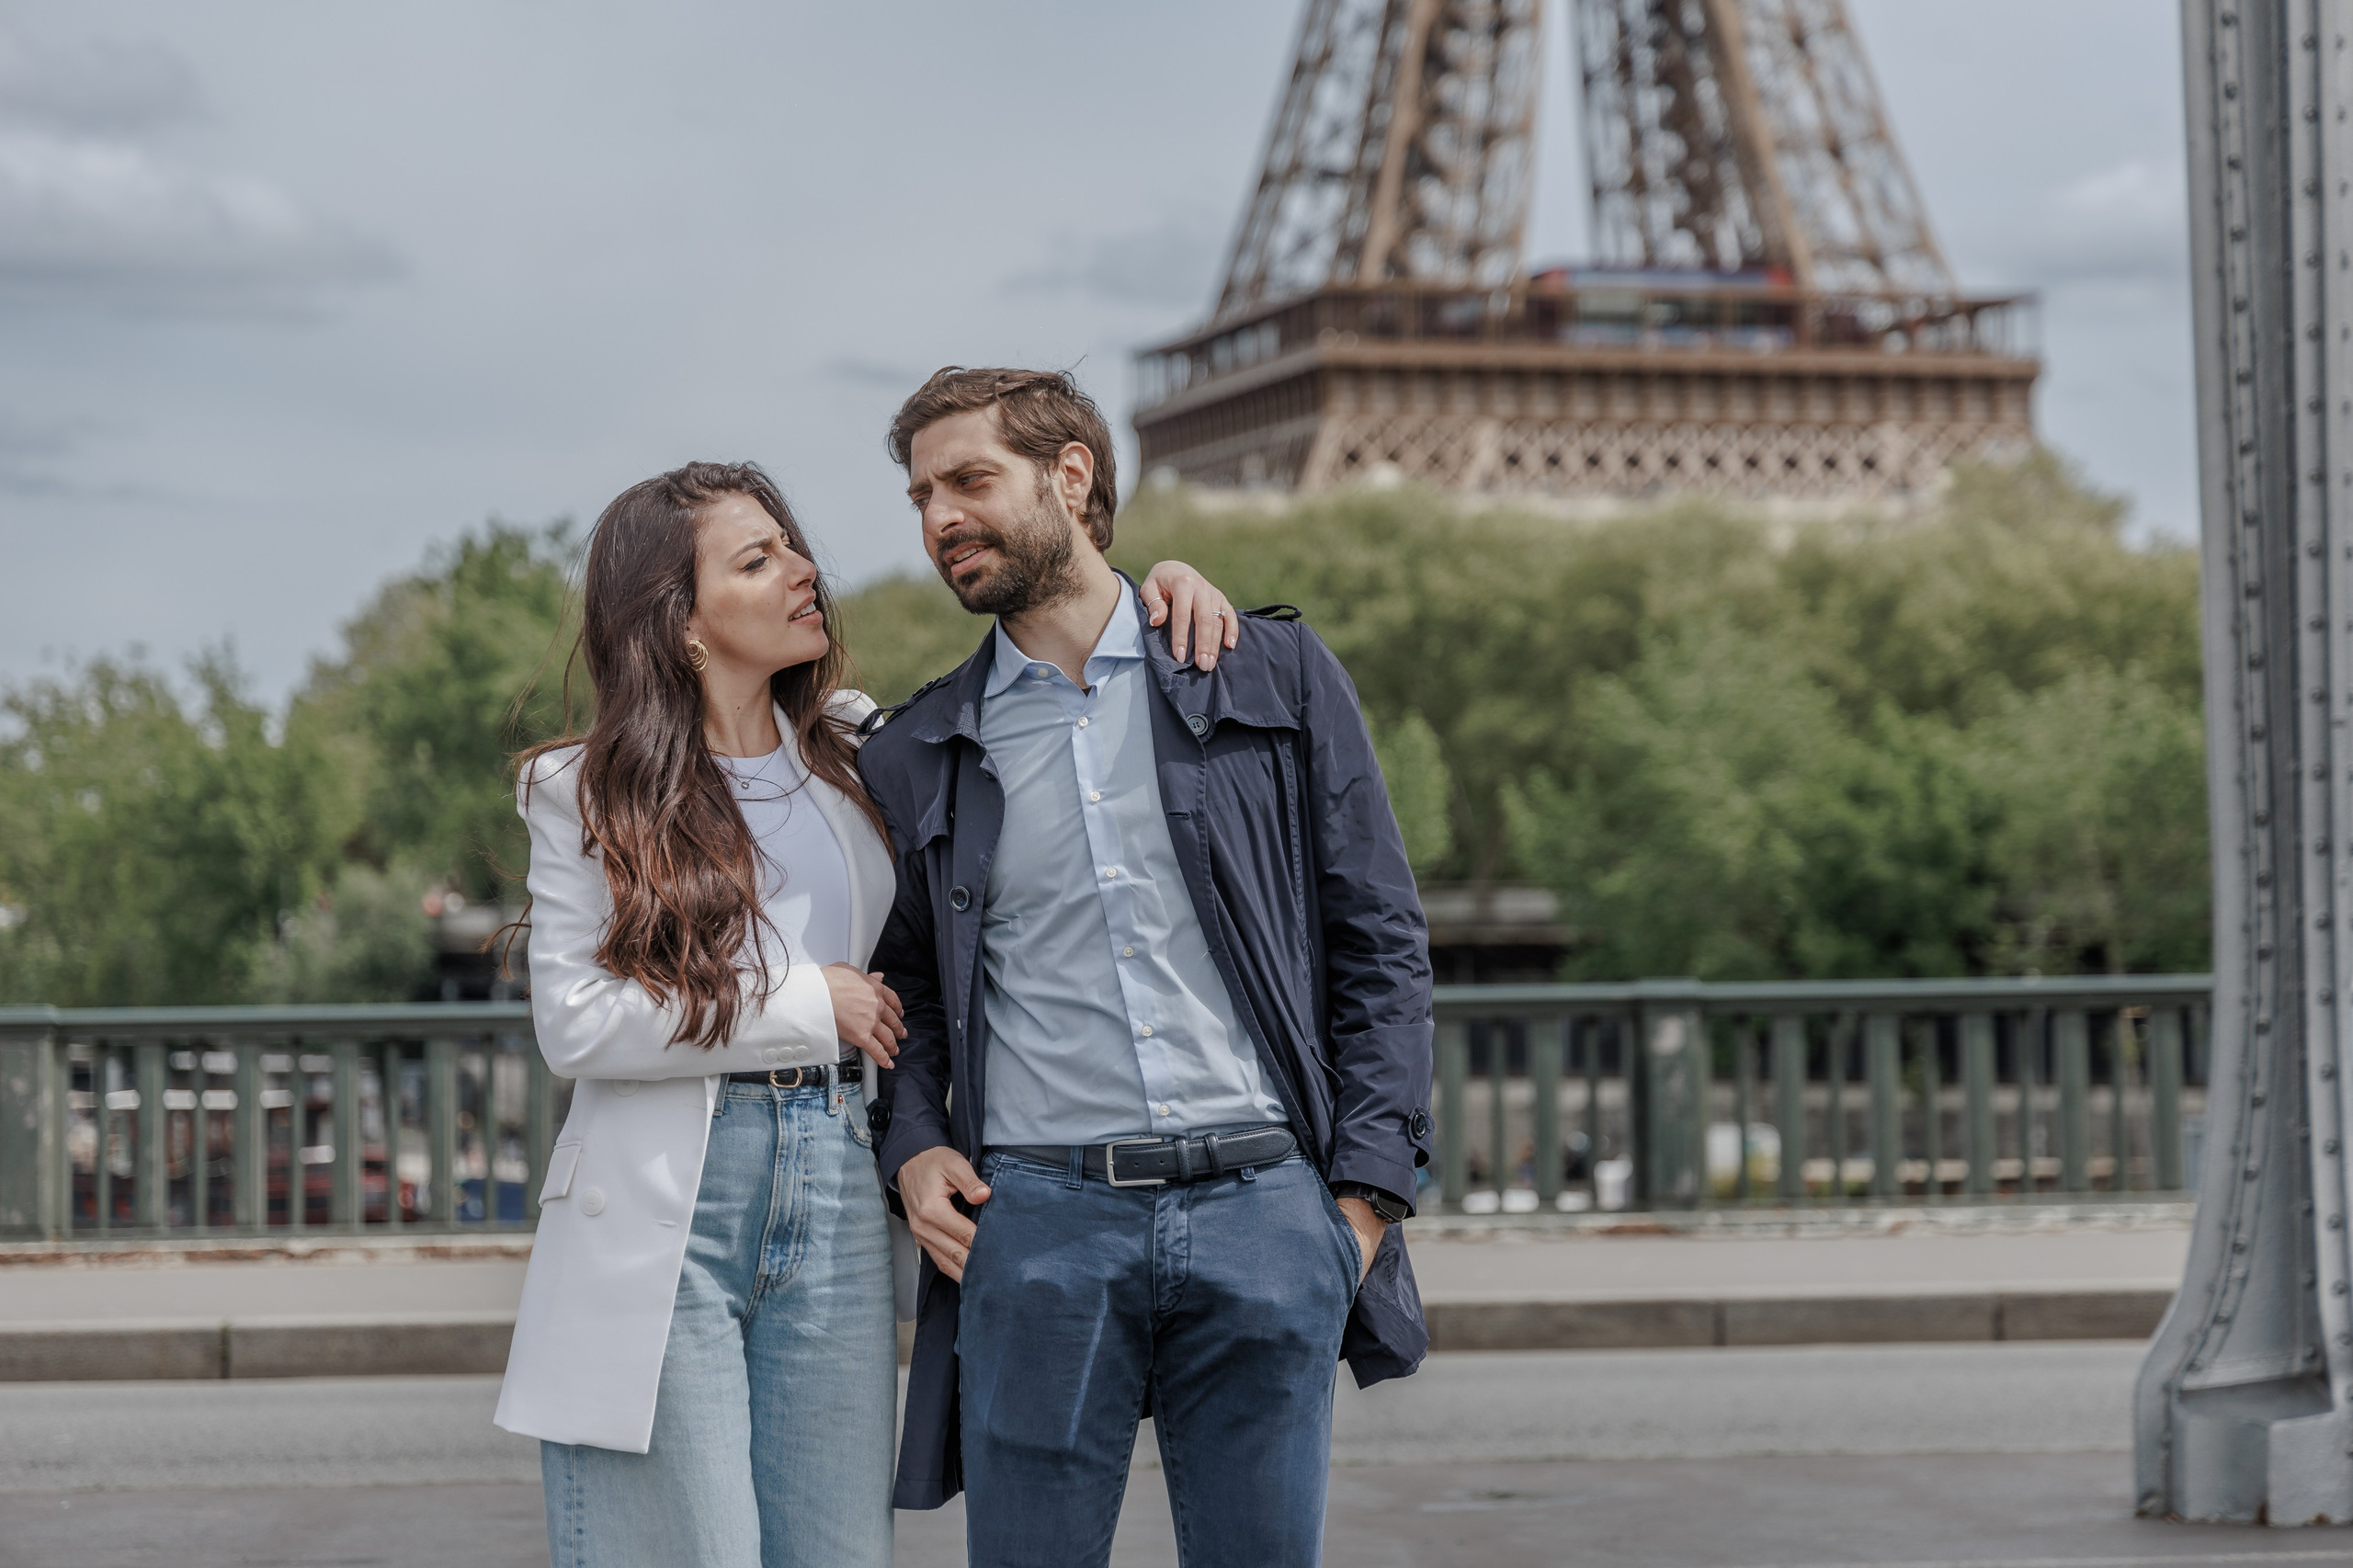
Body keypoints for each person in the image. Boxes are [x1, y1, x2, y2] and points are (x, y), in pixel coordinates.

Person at [488, 459, 1242, 1568]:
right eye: (758, 559)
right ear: (680, 621)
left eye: (792, 544)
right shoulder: (580, 788)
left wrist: (1158, 587)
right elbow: (577, 1022)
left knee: (839, 1549)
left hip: (839, 1186)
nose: (806, 570)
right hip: (672, 1201)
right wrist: (807, 1000)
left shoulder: (855, 746)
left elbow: (1050, 691)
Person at [858, 368, 1435, 1567]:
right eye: (920, 496)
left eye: (969, 480)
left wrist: (1363, 1200)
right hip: (1040, 1227)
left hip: (1265, 1212)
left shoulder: (1265, 671)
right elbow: (899, 984)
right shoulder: (917, 749)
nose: (938, 519)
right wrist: (912, 1146)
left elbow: (1378, 936)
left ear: (1072, 473)